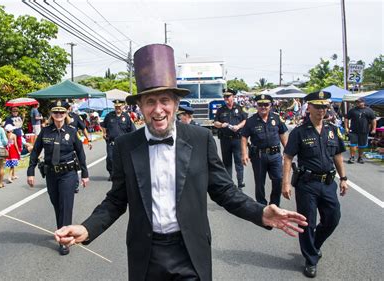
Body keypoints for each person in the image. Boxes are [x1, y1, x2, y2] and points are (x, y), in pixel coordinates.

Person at [54, 44, 307, 281]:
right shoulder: (126, 146)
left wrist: (260, 212)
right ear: (140, 106)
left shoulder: (200, 139)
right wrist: (87, 229)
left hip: (190, 252)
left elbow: (224, 191)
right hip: (146, 255)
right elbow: (117, 199)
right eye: (150, 101)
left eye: (165, 100)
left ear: (175, 103)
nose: (158, 109)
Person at [282, 91, 348, 278]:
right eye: (317, 106)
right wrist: (285, 183)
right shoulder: (299, 132)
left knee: (333, 218)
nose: (321, 110)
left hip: (328, 183)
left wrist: (343, 178)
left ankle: (314, 245)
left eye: (324, 107)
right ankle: (311, 260)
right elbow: (288, 157)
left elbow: (337, 155)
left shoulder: (332, 130)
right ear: (308, 107)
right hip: (307, 184)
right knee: (307, 223)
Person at [27, 100, 89, 256]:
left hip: (68, 174)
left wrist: (85, 174)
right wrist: (30, 171)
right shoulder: (45, 132)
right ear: (52, 115)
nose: (59, 115)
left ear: (66, 114)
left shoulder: (72, 131)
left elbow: (81, 153)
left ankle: (64, 239)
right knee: (57, 204)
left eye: (62, 112)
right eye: (56, 112)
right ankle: (62, 229)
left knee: (66, 205)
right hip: (51, 174)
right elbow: (35, 152)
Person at [241, 94, 288, 206]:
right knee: (260, 182)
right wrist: (244, 154)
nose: (263, 107)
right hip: (259, 156)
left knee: (278, 180)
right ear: (256, 106)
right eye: (260, 104)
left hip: (275, 155)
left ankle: (274, 204)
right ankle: (261, 205)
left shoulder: (276, 118)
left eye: (266, 104)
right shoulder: (251, 121)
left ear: (270, 105)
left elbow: (282, 134)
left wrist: (288, 151)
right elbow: (244, 137)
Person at [214, 88, 248, 189]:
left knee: (238, 162)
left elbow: (245, 120)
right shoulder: (221, 110)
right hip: (225, 140)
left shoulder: (240, 108)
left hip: (237, 139)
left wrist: (238, 126)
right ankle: (229, 184)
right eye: (225, 97)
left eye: (228, 96)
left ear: (233, 97)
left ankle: (240, 183)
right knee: (227, 163)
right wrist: (221, 124)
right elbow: (215, 123)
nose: (226, 98)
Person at [101, 99, 136, 181]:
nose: (117, 108)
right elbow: (103, 125)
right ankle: (111, 173)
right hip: (111, 142)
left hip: (123, 143)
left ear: (123, 106)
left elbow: (132, 129)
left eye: (119, 107)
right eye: (116, 107)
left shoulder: (126, 116)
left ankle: (122, 174)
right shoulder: (109, 116)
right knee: (110, 158)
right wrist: (104, 133)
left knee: (123, 159)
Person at [344, 98, 376, 164]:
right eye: (357, 102)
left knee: (362, 145)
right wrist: (346, 127)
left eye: (360, 102)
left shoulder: (369, 110)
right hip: (353, 130)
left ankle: (360, 157)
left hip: (364, 131)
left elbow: (373, 120)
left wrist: (374, 129)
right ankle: (352, 157)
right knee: (353, 144)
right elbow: (346, 118)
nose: (358, 103)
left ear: (363, 102)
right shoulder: (352, 110)